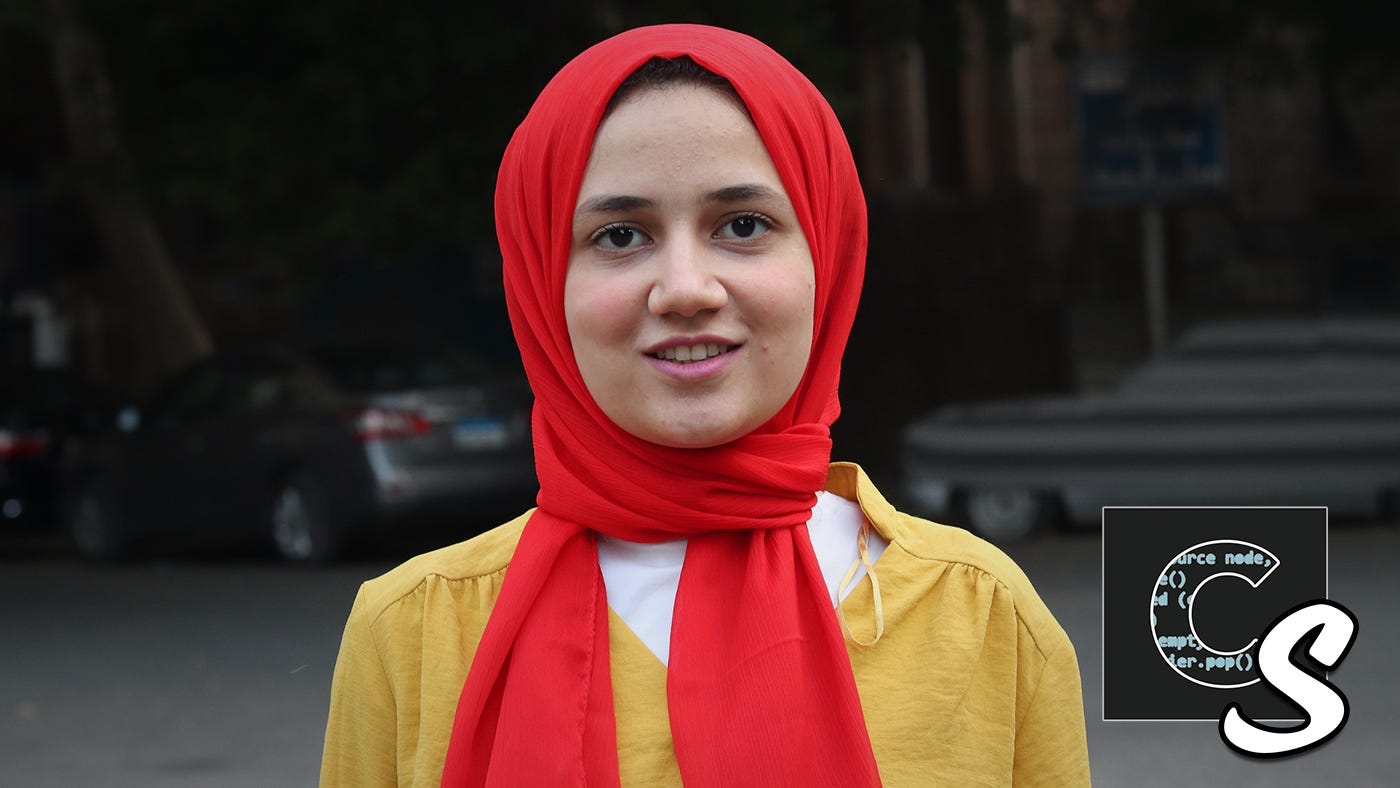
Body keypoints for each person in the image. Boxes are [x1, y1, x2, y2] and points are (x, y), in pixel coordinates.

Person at [321, 23, 1091, 787]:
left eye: (743, 225)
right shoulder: (411, 635)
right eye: (620, 236)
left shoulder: (983, 617)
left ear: (827, 254)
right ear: (540, 277)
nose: (686, 289)